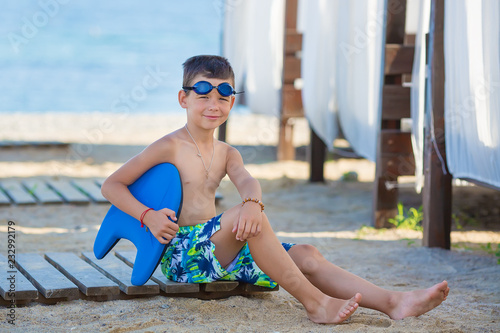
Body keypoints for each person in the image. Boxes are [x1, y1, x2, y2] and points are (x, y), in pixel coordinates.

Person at [101, 55, 450, 324]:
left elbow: (247, 180)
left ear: (232, 102)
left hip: (221, 252)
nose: (213, 103)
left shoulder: (226, 152)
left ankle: (393, 303)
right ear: (183, 98)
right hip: (184, 255)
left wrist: (253, 202)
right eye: (203, 92)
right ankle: (316, 304)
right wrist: (147, 215)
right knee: (243, 217)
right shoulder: (168, 146)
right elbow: (112, 185)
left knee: (307, 254)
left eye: (223, 94)